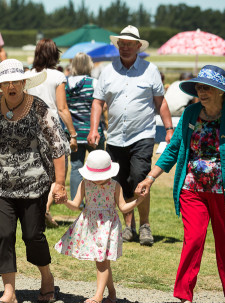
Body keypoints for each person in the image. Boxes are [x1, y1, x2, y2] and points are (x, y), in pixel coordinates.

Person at [135, 65, 225, 303]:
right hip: (192, 189)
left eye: (208, 87)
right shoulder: (191, 113)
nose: (202, 92)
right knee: (192, 240)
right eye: (199, 87)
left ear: (221, 91)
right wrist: (150, 178)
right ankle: (184, 299)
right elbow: (173, 149)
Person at [0, 59, 69, 303]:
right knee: (3, 234)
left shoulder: (39, 108)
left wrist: (59, 183)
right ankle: (9, 292)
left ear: (24, 83)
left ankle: (46, 276)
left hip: (34, 184)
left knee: (33, 235)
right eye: (6, 82)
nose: (11, 86)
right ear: (0, 85)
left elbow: (58, 146)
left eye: (16, 81)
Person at [87, 25, 173, 246]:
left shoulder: (150, 70)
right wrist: (94, 129)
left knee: (140, 177)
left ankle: (144, 225)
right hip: (115, 136)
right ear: (118, 46)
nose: (124, 48)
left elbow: (160, 101)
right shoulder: (107, 71)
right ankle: (128, 226)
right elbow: (98, 102)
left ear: (138, 46)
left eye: (129, 44)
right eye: (121, 44)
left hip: (142, 135)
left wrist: (169, 128)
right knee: (120, 182)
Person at [55, 150, 143, 303]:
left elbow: (123, 207)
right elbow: (76, 205)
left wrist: (139, 200)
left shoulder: (115, 186)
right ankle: (112, 295)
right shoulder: (85, 183)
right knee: (102, 261)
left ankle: (98, 297)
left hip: (107, 227)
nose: (96, 180)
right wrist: (65, 201)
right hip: (90, 226)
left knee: (101, 261)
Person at [27, 38, 78, 227]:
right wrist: (72, 134)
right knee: (56, 174)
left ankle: (40, 211)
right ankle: (45, 209)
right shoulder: (57, 76)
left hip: (31, 129)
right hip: (52, 129)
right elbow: (62, 108)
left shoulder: (28, 75)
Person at [65, 52, 105, 201]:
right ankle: (99, 196)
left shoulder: (66, 83)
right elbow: (102, 105)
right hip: (92, 131)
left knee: (76, 166)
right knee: (99, 166)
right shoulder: (93, 82)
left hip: (74, 132)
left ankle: (77, 200)